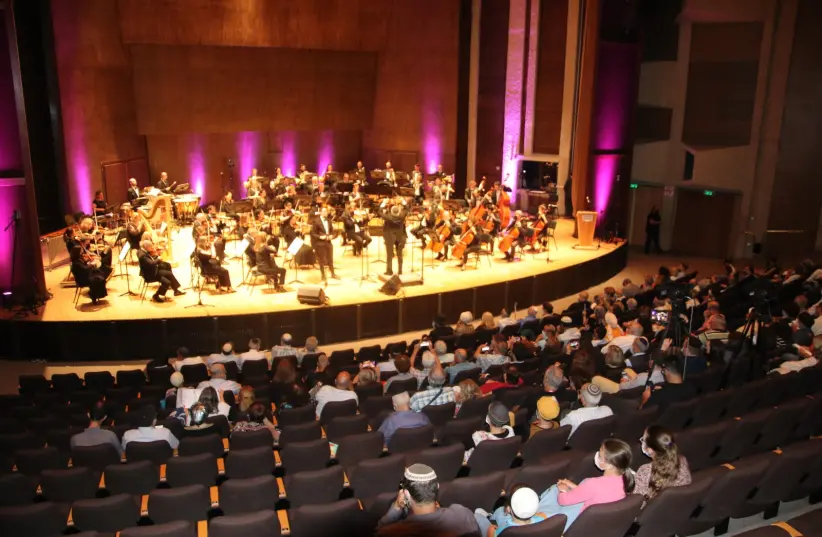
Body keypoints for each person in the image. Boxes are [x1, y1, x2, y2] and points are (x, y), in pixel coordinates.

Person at [537, 438, 634, 529]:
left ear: (609, 465)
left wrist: (563, 489)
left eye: (600, 456)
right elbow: (592, 494)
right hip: (595, 525)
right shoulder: (626, 481)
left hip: (576, 522)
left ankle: (537, 518)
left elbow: (563, 500)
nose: (596, 456)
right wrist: (572, 486)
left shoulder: (593, 483)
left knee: (555, 489)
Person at [377, 464, 479, 536]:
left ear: (406, 494)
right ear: (437, 487)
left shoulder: (394, 532)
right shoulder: (463, 515)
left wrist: (397, 507)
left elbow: (378, 532)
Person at [634, 425, 692, 501]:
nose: (641, 442)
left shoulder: (645, 471)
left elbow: (637, 502)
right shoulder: (682, 460)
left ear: (651, 450)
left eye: (643, 440)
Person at [476, 485, 548, 537]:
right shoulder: (543, 520)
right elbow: (542, 515)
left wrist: (490, 532)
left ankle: (489, 517)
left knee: (477, 514)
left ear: (508, 509)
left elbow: (492, 532)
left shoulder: (504, 531)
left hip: (500, 526)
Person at [380, 196, 409, 276]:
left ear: (391, 212)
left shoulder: (388, 217)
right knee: (399, 254)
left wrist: (383, 203)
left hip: (390, 237)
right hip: (400, 236)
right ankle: (400, 271)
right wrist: (403, 200)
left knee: (389, 255)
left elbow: (380, 212)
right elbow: (407, 208)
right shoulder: (401, 216)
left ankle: (389, 271)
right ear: (398, 211)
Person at [310, 207, 338, 281]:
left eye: (326, 211)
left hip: (328, 242)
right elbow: (312, 233)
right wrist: (320, 237)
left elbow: (332, 231)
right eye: (324, 211)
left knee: (330, 259)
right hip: (320, 243)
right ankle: (323, 275)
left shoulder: (329, 221)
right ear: (321, 212)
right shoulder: (316, 221)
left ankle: (332, 273)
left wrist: (332, 235)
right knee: (321, 260)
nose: (325, 213)